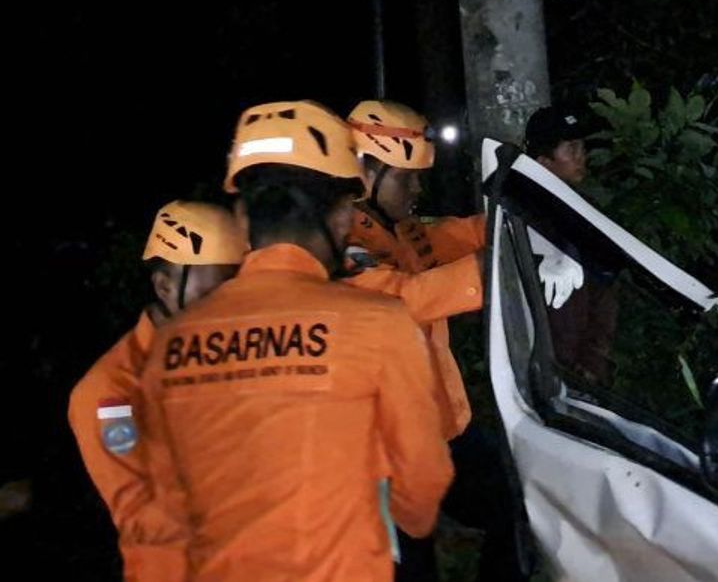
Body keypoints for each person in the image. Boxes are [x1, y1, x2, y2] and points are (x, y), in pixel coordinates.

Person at [139, 100, 452, 581]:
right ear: (344, 216)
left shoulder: (172, 344)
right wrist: (405, 522)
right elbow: (422, 480)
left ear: (242, 220)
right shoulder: (380, 325)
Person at [347, 99, 528, 582]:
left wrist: (525, 223)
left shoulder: (403, 232)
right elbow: (400, 300)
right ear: (366, 171)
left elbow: (458, 234)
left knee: (519, 508)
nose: (416, 188)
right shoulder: (343, 244)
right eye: (405, 177)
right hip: (384, 446)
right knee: (410, 566)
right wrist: (495, 270)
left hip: (445, 427)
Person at [68, 200, 245, 581]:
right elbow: (142, 515)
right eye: (215, 294)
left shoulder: (239, 359)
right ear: (164, 286)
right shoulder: (111, 390)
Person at [523, 106, 618, 387]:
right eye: (571, 148)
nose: (581, 157)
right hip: (532, 373)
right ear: (543, 161)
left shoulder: (589, 215)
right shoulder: (517, 217)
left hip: (581, 372)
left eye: (582, 147)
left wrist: (594, 361)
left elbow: (606, 296)